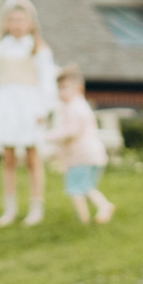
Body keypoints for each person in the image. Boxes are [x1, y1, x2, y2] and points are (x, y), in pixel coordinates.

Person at [0, 0, 58, 227]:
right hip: (6, 108)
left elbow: (47, 82)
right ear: (5, 23)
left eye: (22, 20)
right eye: (12, 20)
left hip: (30, 108)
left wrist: (43, 110)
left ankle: (36, 207)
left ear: (30, 23)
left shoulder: (39, 50)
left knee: (33, 157)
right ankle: (9, 209)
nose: (17, 25)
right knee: (9, 158)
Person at [47, 68, 115, 224]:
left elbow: (71, 131)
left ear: (78, 89)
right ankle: (104, 206)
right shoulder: (80, 105)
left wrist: (49, 135)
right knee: (86, 186)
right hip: (93, 155)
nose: (60, 92)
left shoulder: (74, 107)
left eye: (64, 88)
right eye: (58, 88)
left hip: (81, 156)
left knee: (75, 189)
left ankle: (83, 218)